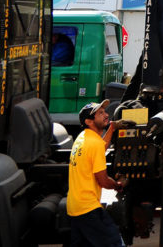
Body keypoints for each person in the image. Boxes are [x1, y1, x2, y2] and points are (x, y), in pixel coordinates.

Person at [68, 100, 126, 247]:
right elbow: (103, 181)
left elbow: (100, 147)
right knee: (114, 243)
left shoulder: (82, 138)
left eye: (105, 112)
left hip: (75, 207)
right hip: (89, 209)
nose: (106, 115)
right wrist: (117, 185)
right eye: (100, 113)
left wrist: (112, 127)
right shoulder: (93, 144)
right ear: (89, 121)